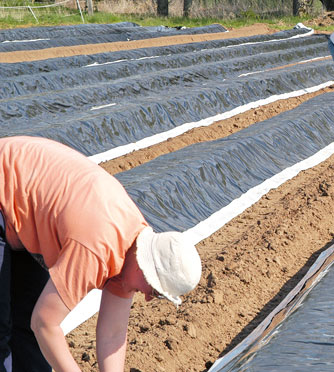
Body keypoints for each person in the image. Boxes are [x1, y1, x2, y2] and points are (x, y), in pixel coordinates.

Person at [0, 136, 202, 372]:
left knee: (26, 332)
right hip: (5, 187)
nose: (147, 298)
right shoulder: (95, 247)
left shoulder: (130, 254)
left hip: (21, 209)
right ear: (145, 269)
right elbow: (45, 323)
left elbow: (113, 334)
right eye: (155, 291)